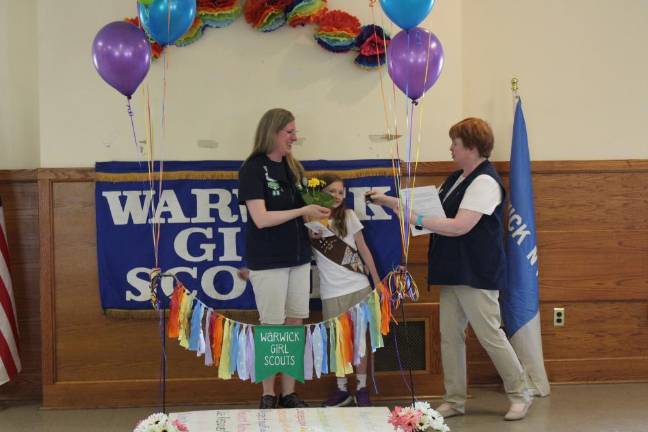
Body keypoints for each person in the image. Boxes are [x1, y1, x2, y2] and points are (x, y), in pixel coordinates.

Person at [368, 118, 532, 421]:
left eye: (455, 144)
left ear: (471, 147)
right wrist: (392, 202)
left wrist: (412, 218)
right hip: (454, 270)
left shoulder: (484, 182)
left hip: (477, 272)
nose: (451, 149)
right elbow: (430, 211)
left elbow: (459, 226)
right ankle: (454, 400)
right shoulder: (456, 177)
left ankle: (521, 393)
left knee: (489, 335)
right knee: (450, 337)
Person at [238, 108, 330, 409]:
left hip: (299, 258)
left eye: (294, 131)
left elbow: (301, 210)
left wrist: (313, 224)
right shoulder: (253, 168)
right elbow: (261, 218)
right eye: (289, 132)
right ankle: (268, 393)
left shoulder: (293, 167)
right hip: (267, 260)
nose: (294, 137)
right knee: (272, 326)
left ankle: (289, 392)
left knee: (294, 323)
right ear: (273, 132)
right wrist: (303, 212)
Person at [308, 173, 382, 408]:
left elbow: (363, 248)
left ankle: (361, 388)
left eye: (341, 192)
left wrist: (377, 281)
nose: (338, 196)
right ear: (320, 194)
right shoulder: (310, 219)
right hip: (331, 292)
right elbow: (311, 237)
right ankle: (341, 390)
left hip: (358, 287)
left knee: (360, 341)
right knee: (337, 343)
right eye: (332, 192)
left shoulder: (348, 216)